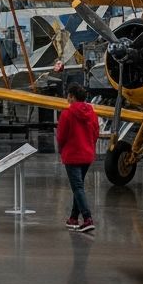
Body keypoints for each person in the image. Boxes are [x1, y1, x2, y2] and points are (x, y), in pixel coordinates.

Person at [57, 83, 100, 232]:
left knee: (77, 187)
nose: (67, 98)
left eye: (69, 95)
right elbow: (96, 133)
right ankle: (73, 218)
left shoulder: (66, 114)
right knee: (78, 186)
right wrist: (90, 146)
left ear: (72, 97)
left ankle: (87, 218)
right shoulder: (92, 113)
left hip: (72, 155)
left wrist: (61, 150)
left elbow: (61, 136)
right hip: (87, 154)